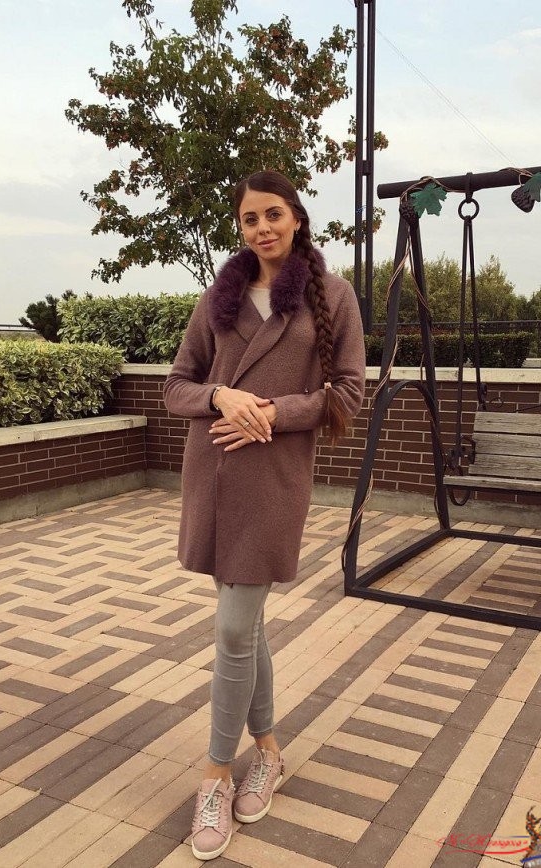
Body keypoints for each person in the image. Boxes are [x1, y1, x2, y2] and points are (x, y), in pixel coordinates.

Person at [162, 170, 366, 861]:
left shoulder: (332, 295)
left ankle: (216, 774)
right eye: (249, 219)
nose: (262, 228)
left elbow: (348, 393)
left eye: (273, 214)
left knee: (231, 630)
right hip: (213, 476)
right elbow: (176, 386)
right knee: (245, 629)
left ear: (297, 218)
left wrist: (273, 412)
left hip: (273, 482)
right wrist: (221, 396)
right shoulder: (218, 297)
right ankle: (270, 751)